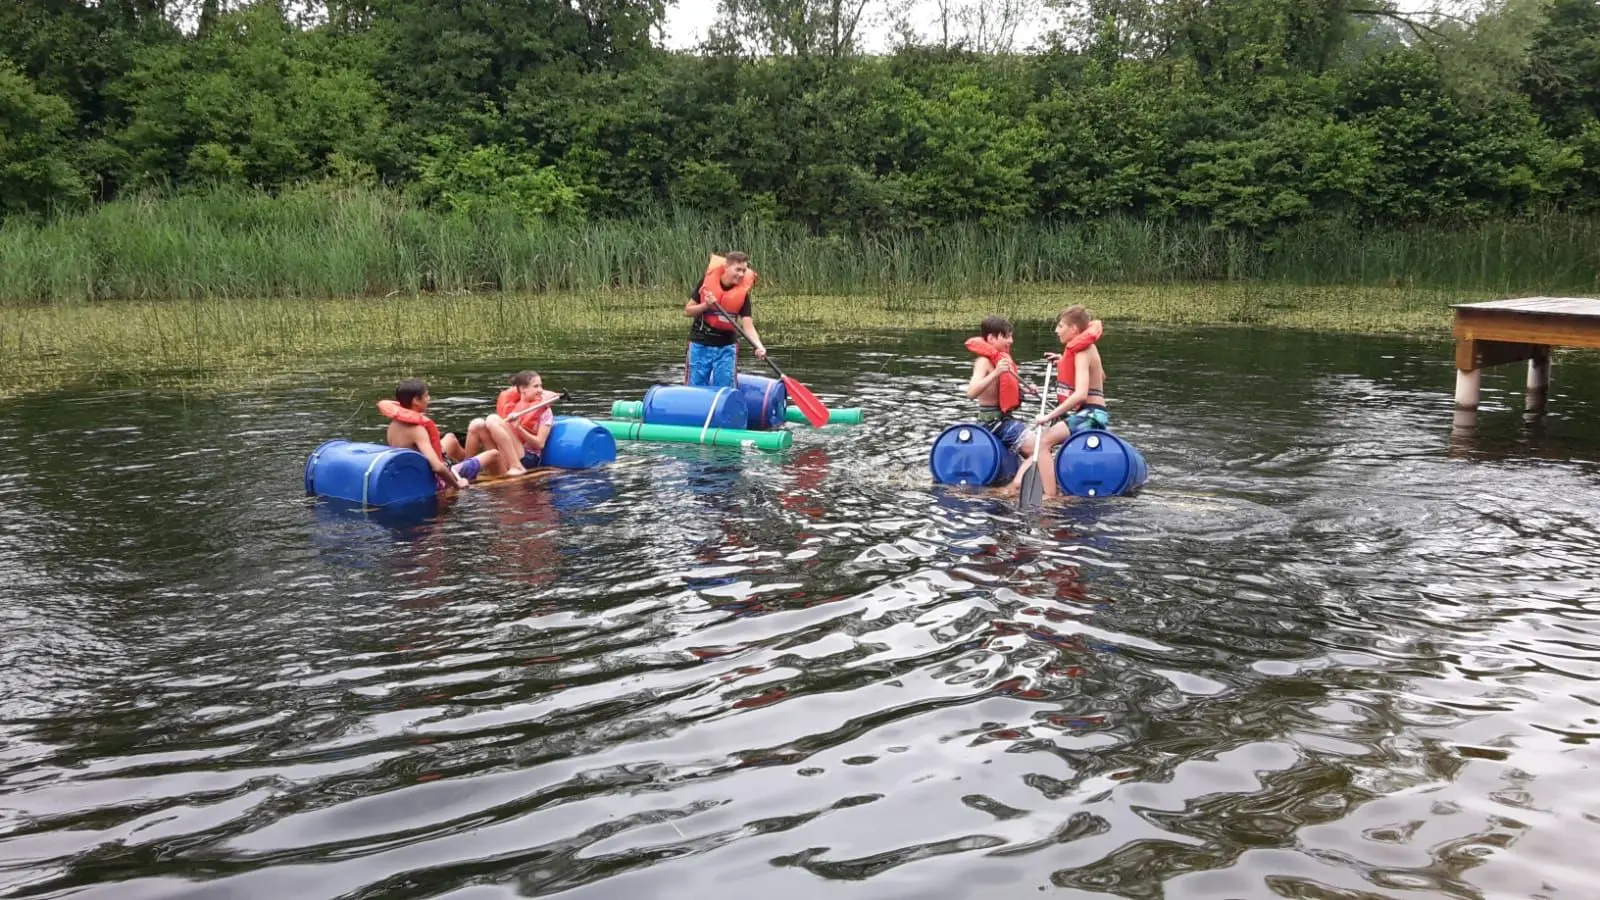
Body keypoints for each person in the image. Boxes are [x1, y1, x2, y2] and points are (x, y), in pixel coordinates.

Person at [1017, 305, 1108, 497]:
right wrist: (1065, 361)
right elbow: (1101, 376)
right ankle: (1047, 485)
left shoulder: (1082, 352)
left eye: (1060, 326)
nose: (1057, 330)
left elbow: (1081, 394)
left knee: (1042, 443)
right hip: (1093, 413)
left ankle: (1051, 496)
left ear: (1073, 329)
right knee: (1047, 443)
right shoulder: (1087, 350)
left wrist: (1048, 416)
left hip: (1091, 415)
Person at [378, 378, 509, 491]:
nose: (428, 399)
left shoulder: (394, 424)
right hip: (433, 480)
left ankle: (471, 466)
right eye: (426, 396)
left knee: (450, 438)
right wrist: (457, 484)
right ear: (416, 401)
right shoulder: (416, 429)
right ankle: (505, 485)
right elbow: (437, 467)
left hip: (414, 474)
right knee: (494, 454)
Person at [965, 315, 1043, 479]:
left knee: (1041, 446)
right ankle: (1014, 487)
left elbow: (1003, 390)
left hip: (1005, 420)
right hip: (992, 423)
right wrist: (996, 373)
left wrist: (1026, 391)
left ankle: (1021, 478)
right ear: (991, 338)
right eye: (1006, 336)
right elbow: (971, 393)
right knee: (1040, 448)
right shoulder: (983, 362)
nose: (1011, 341)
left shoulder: (1002, 360)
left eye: (1011, 336)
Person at [684, 251, 767, 387]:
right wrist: (706, 305)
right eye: (738, 270)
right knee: (695, 390)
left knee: (725, 390)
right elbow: (687, 311)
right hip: (700, 344)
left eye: (744, 271)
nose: (741, 274)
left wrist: (759, 346)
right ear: (726, 268)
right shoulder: (705, 284)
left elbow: (748, 326)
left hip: (726, 347)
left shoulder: (742, 295)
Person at [494, 370, 556, 469]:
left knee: (492, 419)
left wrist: (518, 428)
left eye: (541, 386)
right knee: (477, 425)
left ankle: (516, 467)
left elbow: (540, 444)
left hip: (528, 457)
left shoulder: (545, 411)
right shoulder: (512, 406)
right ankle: (466, 464)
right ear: (522, 388)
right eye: (536, 386)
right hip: (507, 451)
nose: (540, 390)